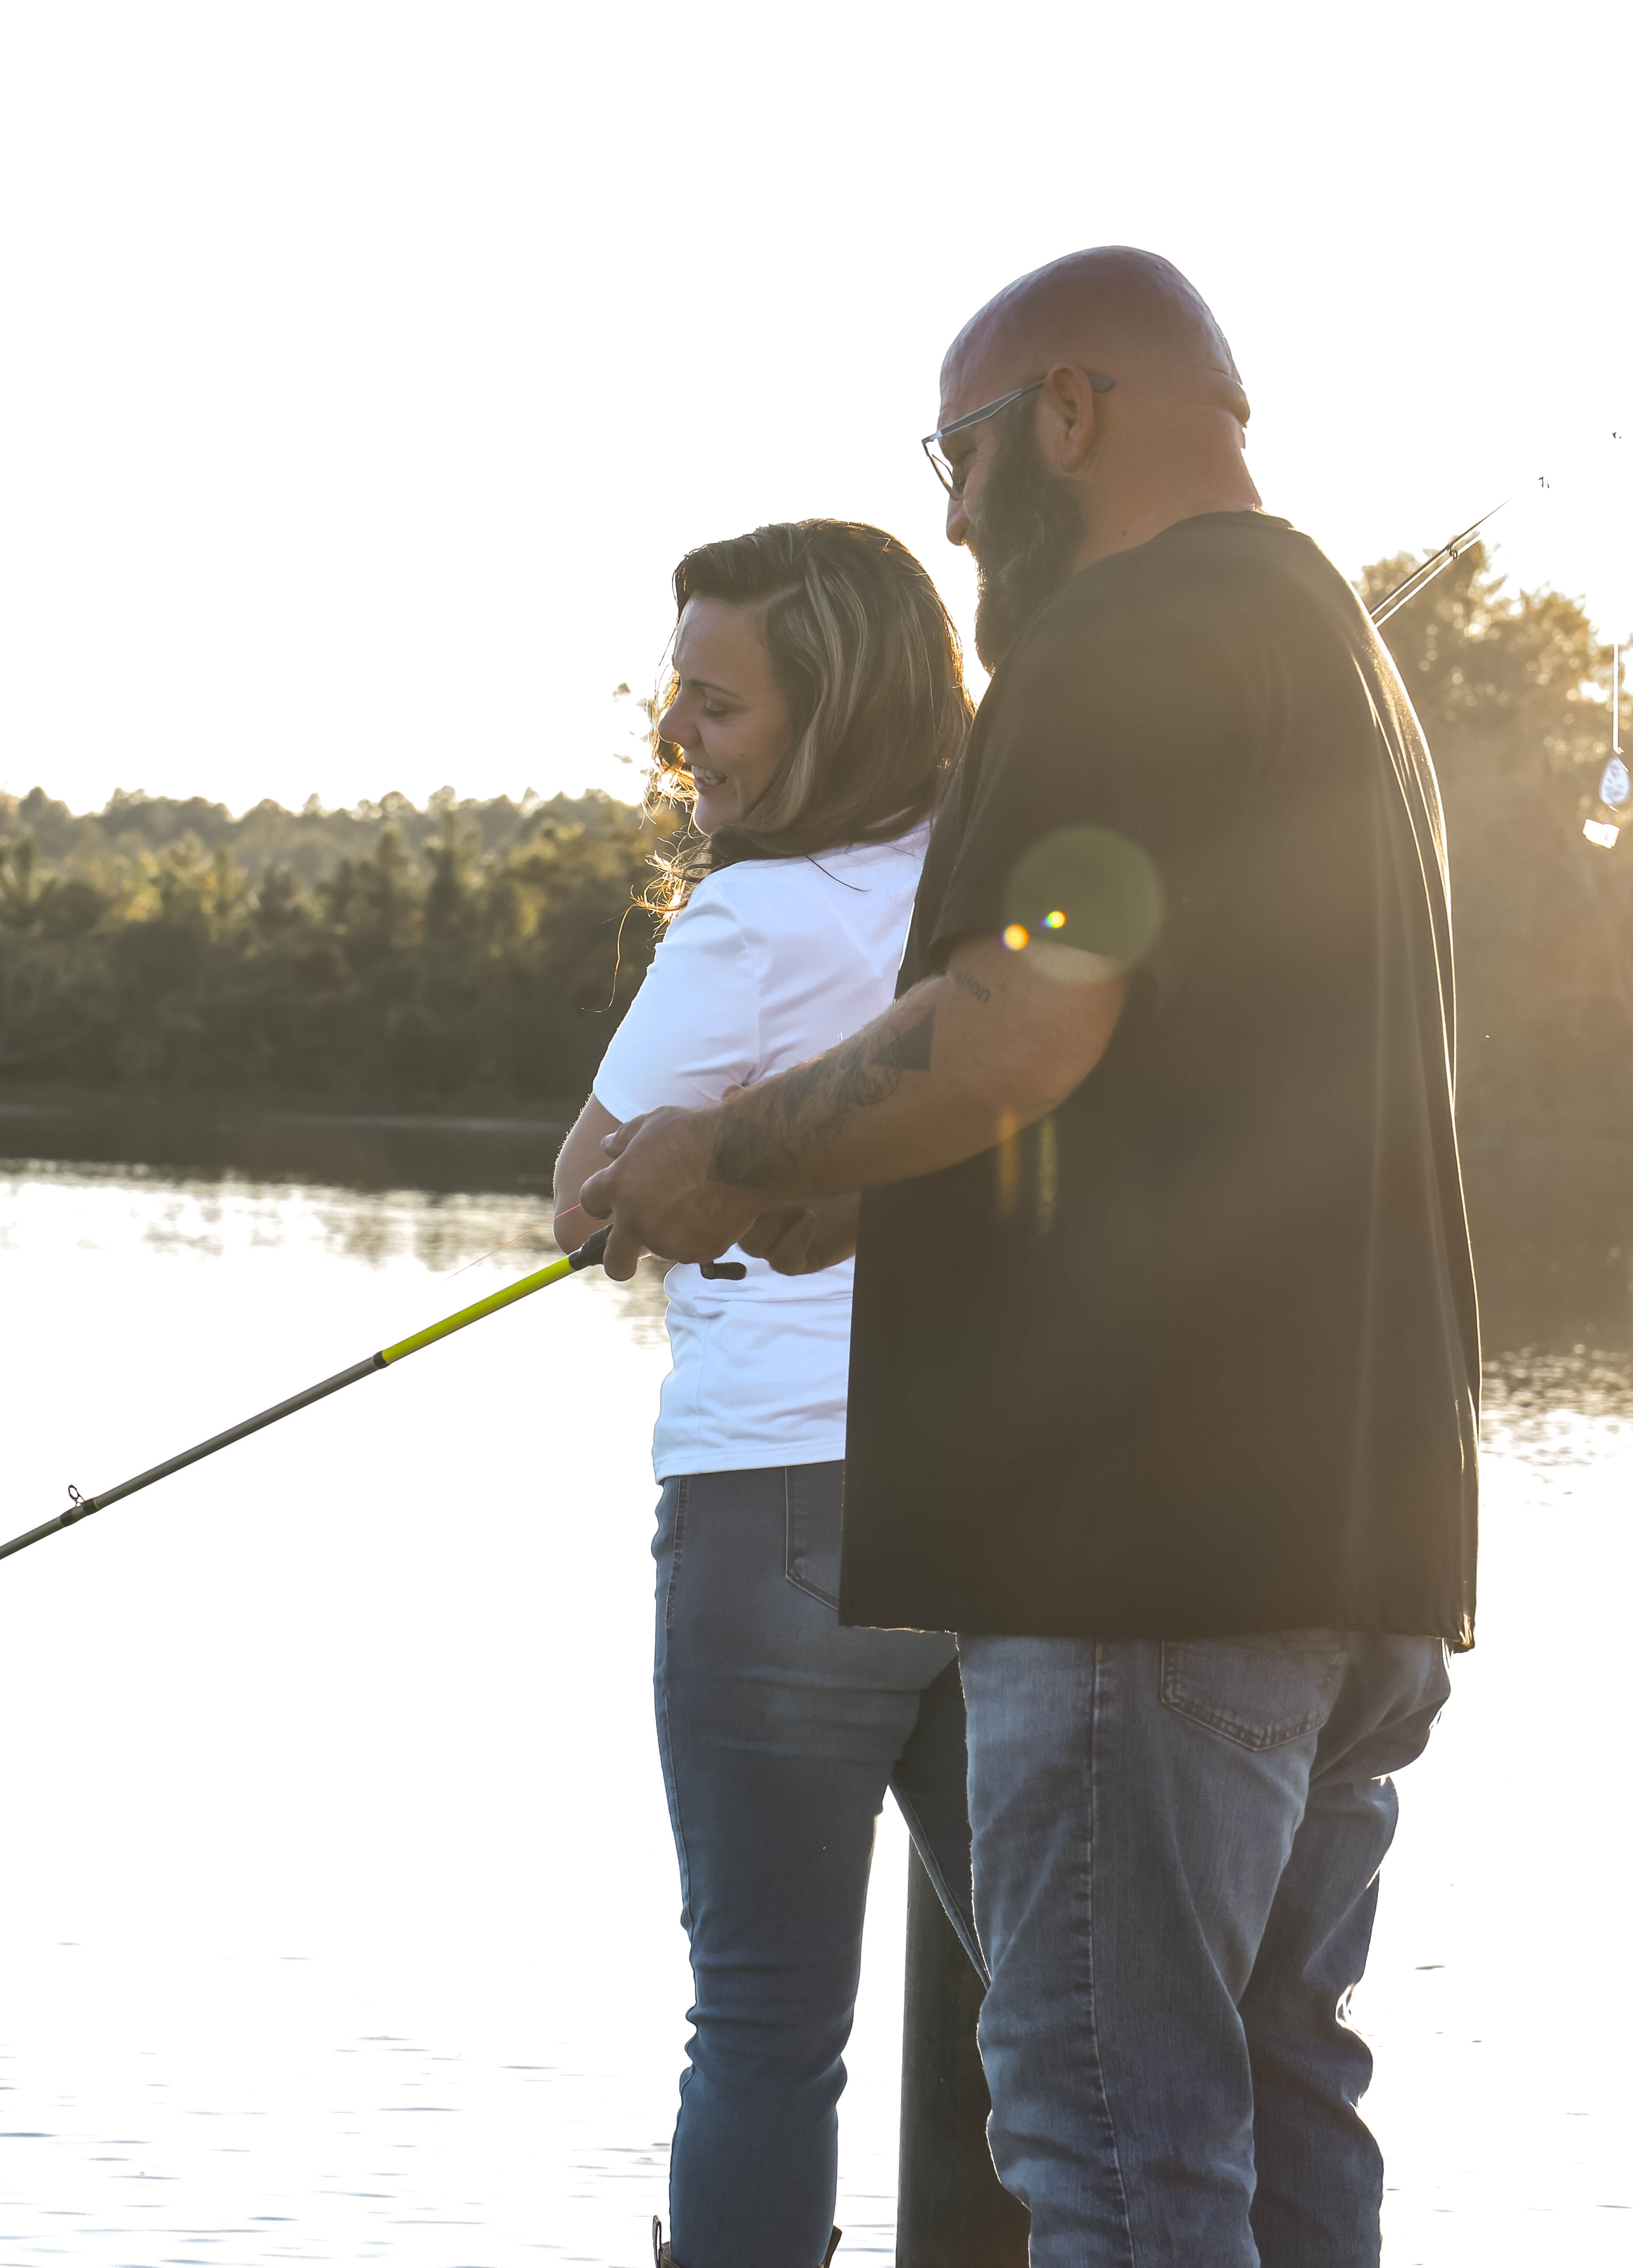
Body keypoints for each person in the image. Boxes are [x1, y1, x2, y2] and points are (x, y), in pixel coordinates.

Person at [579, 249, 1480, 2268]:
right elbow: (1160, 1085)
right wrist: (856, 1182)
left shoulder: (1120, 639)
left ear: (1068, 412)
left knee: (1102, 2137)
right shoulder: (1328, 649)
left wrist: (727, 1148)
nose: (957, 514)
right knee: (1264, 2091)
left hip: (1139, 1556)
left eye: (962, 457)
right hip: (1352, 1538)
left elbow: (1017, 1022)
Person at [549, 519, 977, 2268]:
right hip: (993, 1515)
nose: (676, 739)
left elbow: (588, 1191)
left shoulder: (745, 920)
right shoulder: (990, 905)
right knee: (1036, 2019)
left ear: (834, 716)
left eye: (713, 706)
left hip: (770, 1517)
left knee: (762, 2029)